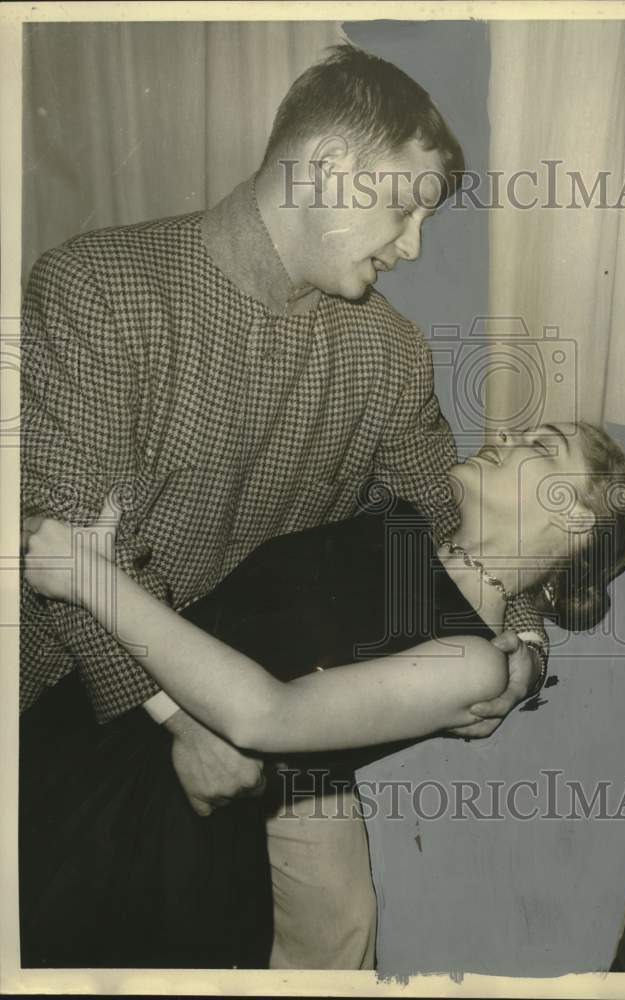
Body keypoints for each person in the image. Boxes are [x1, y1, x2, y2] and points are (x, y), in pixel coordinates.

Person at [18, 43, 547, 969]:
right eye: (403, 208)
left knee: (340, 923)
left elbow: (453, 512)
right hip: (79, 694)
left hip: (269, 708)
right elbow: (52, 538)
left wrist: (527, 650)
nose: (412, 248)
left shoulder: (389, 351)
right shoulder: (95, 286)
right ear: (329, 170)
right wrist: (183, 721)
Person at [23, 419, 625, 827]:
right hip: (81, 725)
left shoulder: (476, 664)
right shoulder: (398, 520)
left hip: (145, 819)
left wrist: (95, 583)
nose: (505, 433)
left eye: (541, 448)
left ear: (575, 523)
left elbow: (263, 716)